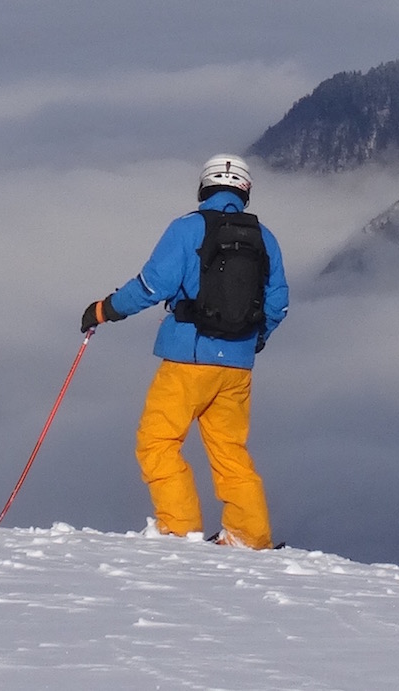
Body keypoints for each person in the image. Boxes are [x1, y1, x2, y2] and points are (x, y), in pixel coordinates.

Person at [81, 152, 290, 547]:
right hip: (238, 366)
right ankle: (250, 535)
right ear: (245, 191)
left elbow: (151, 286)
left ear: (204, 187)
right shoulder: (266, 239)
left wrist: (103, 311)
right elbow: (278, 302)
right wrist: (255, 338)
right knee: (230, 451)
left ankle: (179, 530)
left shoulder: (187, 229)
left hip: (187, 358)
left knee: (158, 441)